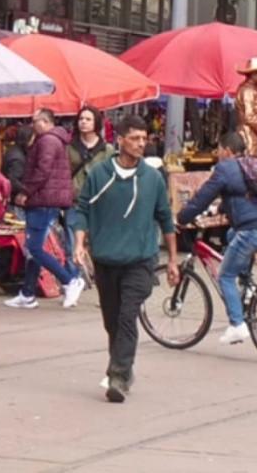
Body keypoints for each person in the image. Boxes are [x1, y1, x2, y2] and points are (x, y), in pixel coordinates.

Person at [72, 115, 177, 403]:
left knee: (128, 316)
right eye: (135, 138)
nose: (142, 144)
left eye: (145, 139)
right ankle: (123, 366)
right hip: (106, 260)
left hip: (140, 261)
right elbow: (81, 210)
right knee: (113, 321)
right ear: (120, 140)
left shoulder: (153, 178)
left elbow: (166, 220)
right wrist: (79, 243)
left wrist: (172, 261)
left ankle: (118, 375)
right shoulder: (99, 175)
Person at [176, 132, 257, 344]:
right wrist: (216, 211)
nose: (217, 154)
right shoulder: (255, 163)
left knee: (225, 275)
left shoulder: (226, 168)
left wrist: (183, 217)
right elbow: (239, 199)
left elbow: (202, 198)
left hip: (253, 231)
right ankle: (245, 285)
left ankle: (237, 325)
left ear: (227, 150)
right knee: (230, 234)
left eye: (218, 150)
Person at [5, 109, 85, 310]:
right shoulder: (53, 139)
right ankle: (28, 293)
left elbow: (43, 171)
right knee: (34, 248)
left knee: (34, 248)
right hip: (47, 198)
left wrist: (26, 192)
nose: (33, 125)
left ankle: (69, 280)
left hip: (43, 199)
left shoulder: (48, 141)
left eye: (35, 121)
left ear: (46, 121)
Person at [66, 106, 114, 276]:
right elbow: (64, 172)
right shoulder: (70, 147)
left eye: (88, 119)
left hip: (100, 201)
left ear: (96, 123)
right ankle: (75, 279)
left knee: (99, 242)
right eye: (81, 119)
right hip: (75, 200)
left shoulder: (107, 149)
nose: (83, 122)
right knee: (72, 239)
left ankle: (99, 275)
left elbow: (113, 175)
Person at [1, 125, 33, 214]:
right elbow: (13, 181)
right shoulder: (17, 158)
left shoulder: (14, 151)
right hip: (15, 201)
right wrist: (27, 191)